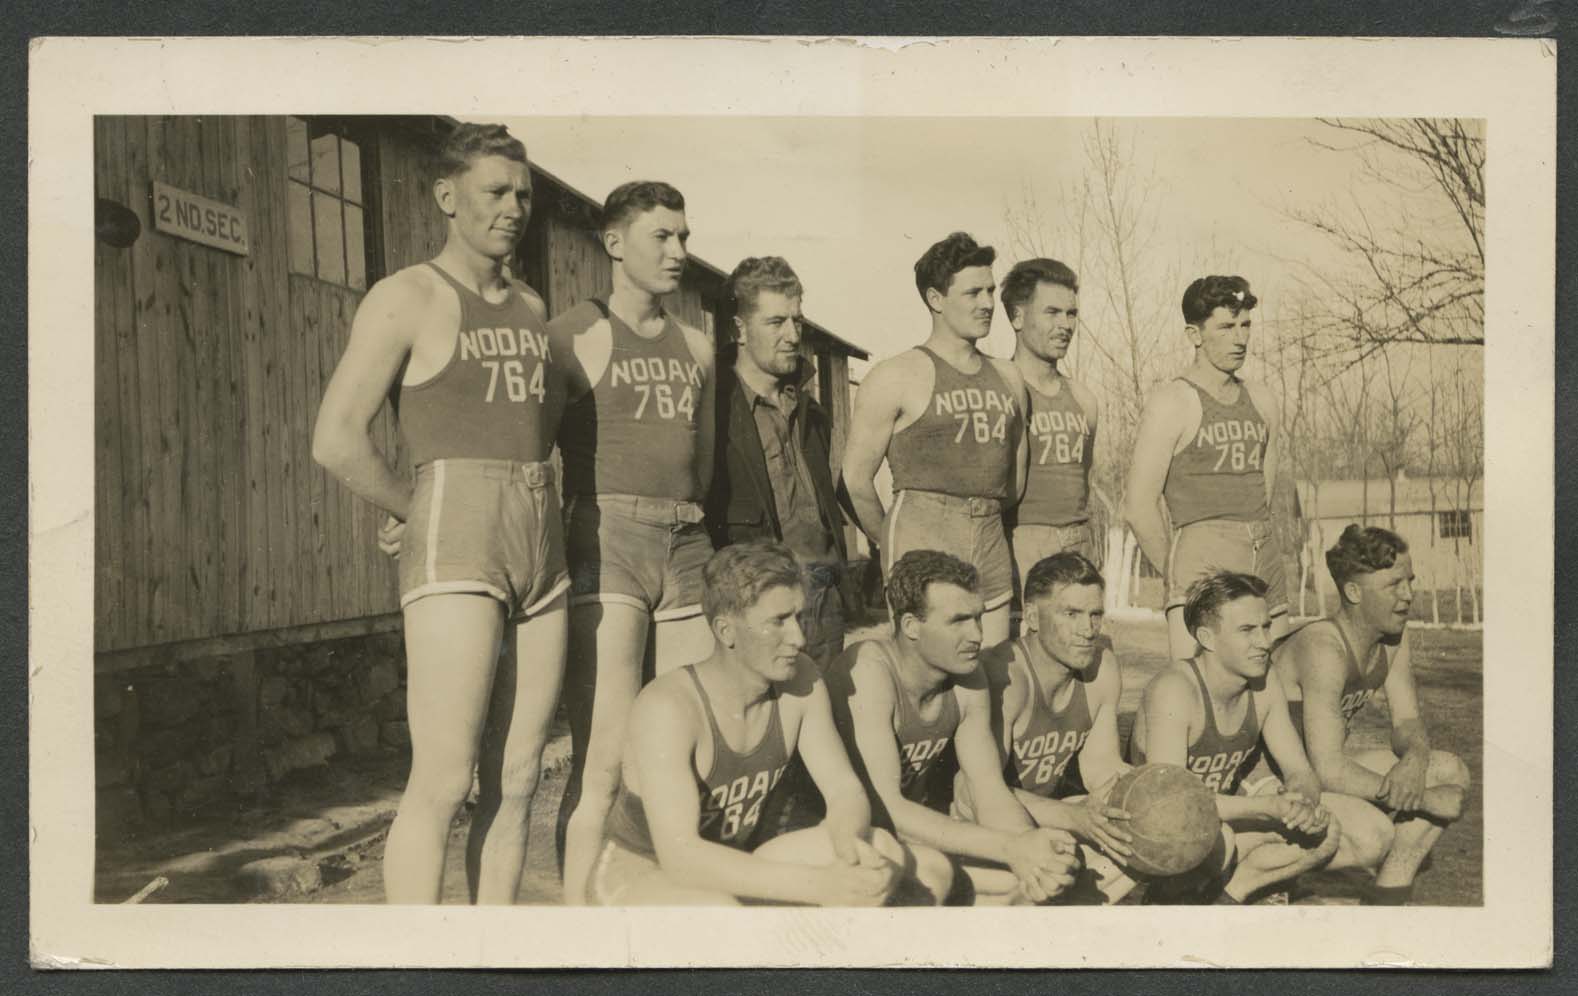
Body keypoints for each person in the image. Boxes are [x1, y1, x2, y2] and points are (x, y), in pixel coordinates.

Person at [312, 123, 566, 904]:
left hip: (540, 538)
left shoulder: (530, 305)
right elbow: (335, 439)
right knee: (447, 775)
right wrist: (413, 506)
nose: (513, 208)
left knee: (519, 774)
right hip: (457, 531)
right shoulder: (408, 295)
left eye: (523, 194)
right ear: (446, 197)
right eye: (495, 192)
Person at [589, 542, 953, 906]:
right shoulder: (668, 708)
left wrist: (848, 846)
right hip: (644, 873)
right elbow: (682, 858)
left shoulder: (800, 680)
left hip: (735, 860)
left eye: (798, 617)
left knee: (888, 851)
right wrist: (821, 884)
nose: (798, 637)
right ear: (726, 631)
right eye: (778, 622)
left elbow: (844, 791)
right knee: (720, 912)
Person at [551, 180, 719, 904]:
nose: (679, 251)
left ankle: (668, 909)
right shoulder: (573, 336)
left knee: (685, 746)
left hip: (686, 542)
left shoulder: (700, 347)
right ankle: (573, 931)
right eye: (663, 237)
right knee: (603, 757)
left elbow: (703, 461)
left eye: (684, 236)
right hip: (607, 536)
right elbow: (526, 446)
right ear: (615, 243)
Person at [1129, 571, 1402, 904]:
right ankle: (1191, 897)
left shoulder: (1264, 679)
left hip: (1226, 814)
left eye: (1265, 627)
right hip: (1165, 831)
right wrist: (1268, 809)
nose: (1264, 641)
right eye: (1247, 630)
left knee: (1372, 834)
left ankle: (1235, 893)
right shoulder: (1174, 690)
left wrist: (1302, 801)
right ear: (1207, 638)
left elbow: (1298, 770)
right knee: (1220, 840)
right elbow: (1173, 808)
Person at [829, 549, 1079, 904]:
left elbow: (988, 787)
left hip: (908, 833)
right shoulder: (869, 671)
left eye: (977, 618)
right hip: (837, 834)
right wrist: (1011, 848)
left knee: (1038, 876)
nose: (976, 635)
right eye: (958, 621)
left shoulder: (967, 675)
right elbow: (888, 808)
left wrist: (1029, 845)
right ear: (912, 626)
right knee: (941, 874)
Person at [839, 232, 1028, 649]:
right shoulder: (897, 374)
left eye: (991, 290)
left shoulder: (1010, 377)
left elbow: (1015, 480)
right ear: (935, 298)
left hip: (991, 534)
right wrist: (893, 540)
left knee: (993, 672)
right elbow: (853, 480)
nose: (987, 303)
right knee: (924, 674)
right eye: (973, 292)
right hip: (923, 531)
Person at [1271, 525, 1471, 905]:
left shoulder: (1393, 638)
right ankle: (1272, 888)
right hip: (1275, 783)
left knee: (1451, 771)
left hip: (1316, 776)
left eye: (1410, 581)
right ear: (1353, 592)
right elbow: (1327, 768)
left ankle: (1388, 901)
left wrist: (1414, 759)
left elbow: (1407, 721)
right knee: (1374, 833)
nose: (1408, 595)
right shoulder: (1323, 648)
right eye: (1394, 585)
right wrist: (1424, 799)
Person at [953, 552, 1137, 903]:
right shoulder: (1006, 676)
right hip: (978, 824)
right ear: (1034, 616)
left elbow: (1103, 769)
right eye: (1071, 614)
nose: (1088, 631)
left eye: (1095, 615)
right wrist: (1075, 817)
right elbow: (979, 792)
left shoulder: (1102, 668)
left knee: (1143, 836)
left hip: (1042, 815)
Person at [1123, 276, 1287, 662]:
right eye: (1226, 327)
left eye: (1246, 325)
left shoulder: (1262, 400)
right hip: (1203, 561)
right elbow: (1137, 506)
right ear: (1194, 334)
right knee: (1198, 693)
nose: (1240, 339)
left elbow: (1264, 490)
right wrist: (1177, 572)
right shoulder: (1173, 402)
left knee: (1274, 688)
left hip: (1263, 557)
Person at [706, 256, 852, 668]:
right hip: (757, 600)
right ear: (739, 329)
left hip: (823, 598)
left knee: (823, 718)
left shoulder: (811, 411)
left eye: (797, 321)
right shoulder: (713, 410)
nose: (792, 336)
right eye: (776, 323)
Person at [1000, 259, 1100, 577]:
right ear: (1017, 316)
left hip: (1078, 543)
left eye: (1071, 314)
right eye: (1052, 312)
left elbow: (1082, 479)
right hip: (1020, 543)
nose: (1066, 325)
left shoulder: (1084, 398)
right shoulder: (997, 389)